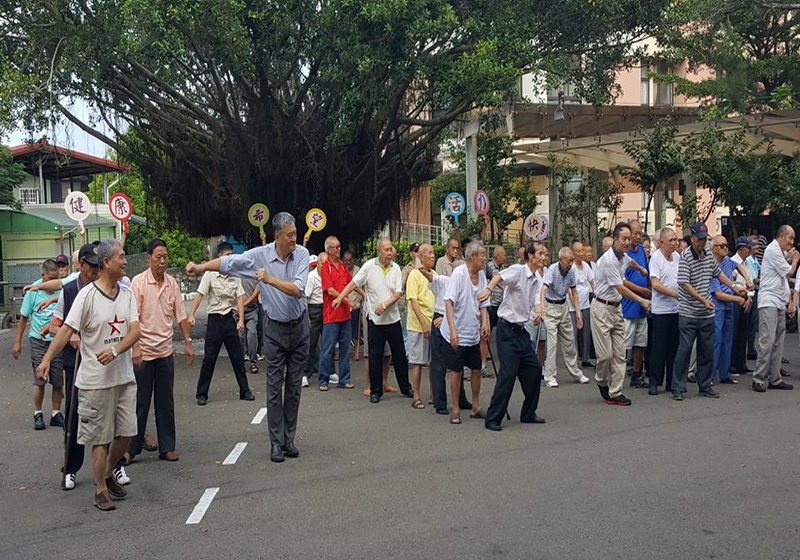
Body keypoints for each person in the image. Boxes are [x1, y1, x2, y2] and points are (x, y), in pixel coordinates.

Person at [187, 212, 310, 463]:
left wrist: (269, 279)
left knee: (294, 388)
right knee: (275, 388)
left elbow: (297, 290)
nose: (294, 239)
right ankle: (276, 443)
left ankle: (289, 439)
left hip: (300, 329)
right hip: (274, 330)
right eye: (289, 235)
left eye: (295, 234)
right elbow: (228, 263)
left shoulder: (302, 255)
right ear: (277, 237)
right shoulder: (259, 256)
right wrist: (201, 267)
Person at [36, 239, 140, 511]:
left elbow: (135, 331)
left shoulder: (127, 294)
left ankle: (107, 472)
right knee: (99, 438)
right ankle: (101, 489)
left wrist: (116, 351)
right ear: (107, 262)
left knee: (128, 433)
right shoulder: (86, 296)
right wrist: (47, 359)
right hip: (95, 381)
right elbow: (67, 330)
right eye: (121, 257)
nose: (125, 261)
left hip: (124, 377)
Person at [45, 244, 111, 491]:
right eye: (92, 265)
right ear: (81, 265)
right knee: (73, 416)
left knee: (106, 417)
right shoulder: (69, 290)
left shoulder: (107, 287)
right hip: (75, 363)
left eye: (98, 265)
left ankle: (110, 468)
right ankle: (70, 468)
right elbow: (55, 326)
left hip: (102, 361)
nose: (96, 270)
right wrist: (71, 335)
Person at [128, 239, 194, 463]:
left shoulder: (172, 284)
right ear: (149, 258)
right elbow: (132, 318)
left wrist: (187, 341)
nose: (163, 261)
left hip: (165, 351)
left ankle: (167, 447)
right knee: (139, 402)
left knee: (165, 402)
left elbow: (181, 315)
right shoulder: (138, 283)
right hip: (143, 353)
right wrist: (135, 347)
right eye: (158, 257)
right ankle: (131, 448)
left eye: (165, 257)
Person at [333, 238, 413, 403]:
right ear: (379, 252)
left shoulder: (396, 268)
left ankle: (406, 387)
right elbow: (354, 282)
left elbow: (398, 293)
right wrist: (340, 297)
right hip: (375, 321)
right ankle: (376, 391)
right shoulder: (369, 266)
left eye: (391, 249)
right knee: (375, 356)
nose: (389, 253)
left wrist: (384, 305)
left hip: (393, 319)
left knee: (399, 355)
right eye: (386, 250)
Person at [671, 223, 746, 401]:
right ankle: (678, 388)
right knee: (684, 350)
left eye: (704, 239)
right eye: (699, 239)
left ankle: (704, 385)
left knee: (706, 351)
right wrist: (702, 300)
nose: (701, 242)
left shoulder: (708, 256)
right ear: (692, 238)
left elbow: (718, 274)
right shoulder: (686, 256)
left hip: (706, 314)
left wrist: (734, 287)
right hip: (689, 312)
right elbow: (685, 284)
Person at [481, 242, 548, 431]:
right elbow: (498, 277)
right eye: (541, 253)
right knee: (508, 375)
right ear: (530, 256)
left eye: (545, 253)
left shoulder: (537, 279)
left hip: (521, 331)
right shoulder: (518, 270)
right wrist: (488, 289)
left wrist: (537, 313)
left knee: (535, 369)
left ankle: (528, 413)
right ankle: (493, 418)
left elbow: (536, 301)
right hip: (506, 330)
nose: (544, 257)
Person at [590, 222, 650, 406]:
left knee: (620, 354)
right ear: (615, 239)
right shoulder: (608, 260)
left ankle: (615, 392)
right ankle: (601, 381)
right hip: (601, 309)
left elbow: (629, 262)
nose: (627, 242)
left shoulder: (623, 257)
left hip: (616, 309)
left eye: (628, 238)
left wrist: (639, 268)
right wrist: (641, 300)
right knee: (605, 355)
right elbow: (620, 287)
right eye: (623, 239)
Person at [188, 242, 254, 406]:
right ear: (220, 257)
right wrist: (191, 314)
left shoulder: (235, 275)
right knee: (209, 358)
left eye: (231, 255)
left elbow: (239, 297)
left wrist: (240, 319)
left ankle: (245, 391)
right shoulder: (210, 274)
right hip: (215, 321)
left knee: (237, 358)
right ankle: (201, 393)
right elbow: (199, 295)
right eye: (227, 256)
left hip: (229, 319)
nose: (230, 258)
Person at [439, 241, 491, 424]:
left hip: (472, 332)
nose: (485, 258)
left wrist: (484, 323)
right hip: (456, 330)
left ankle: (475, 406)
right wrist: (453, 331)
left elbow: (483, 302)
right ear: (472, 257)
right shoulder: (459, 274)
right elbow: (449, 303)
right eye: (482, 255)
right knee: (456, 370)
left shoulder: (482, 276)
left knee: (476, 368)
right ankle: (455, 408)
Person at [12, 259, 64, 430]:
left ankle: (56, 413)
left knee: (57, 381)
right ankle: (38, 413)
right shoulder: (33, 291)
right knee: (40, 378)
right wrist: (17, 342)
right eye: (49, 279)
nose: (52, 284)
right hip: (38, 341)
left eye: (55, 279)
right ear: (42, 276)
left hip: (57, 341)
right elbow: (23, 319)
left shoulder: (60, 290)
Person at [752, 225, 799, 392]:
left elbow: (783, 276)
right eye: (789, 238)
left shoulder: (778, 252)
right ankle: (758, 377)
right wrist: (794, 260)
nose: (791, 242)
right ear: (781, 236)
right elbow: (790, 272)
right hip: (769, 301)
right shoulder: (772, 249)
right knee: (768, 340)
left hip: (778, 301)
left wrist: (788, 300)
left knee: (779, 341)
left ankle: (774, 377)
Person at [541, 247, 589, 387]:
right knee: (552, 342)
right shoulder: (552, 270)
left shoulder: (571, 271)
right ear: (560, 260)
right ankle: (549, 376)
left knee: (569, 341)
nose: (570, 263)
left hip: (563, 306)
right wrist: (542, 306)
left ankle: (576, 373)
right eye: (568, 261)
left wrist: (578, 312)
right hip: (550, 307)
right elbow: (544, 288)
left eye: (571, 261)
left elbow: (574, 291)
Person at [708, 235, 751, 385]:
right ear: (713, 249)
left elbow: (738, 266)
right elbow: (718, 295)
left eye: (726, 245)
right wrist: (738, 298)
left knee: (728, 340)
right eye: (721, 246)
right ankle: (712, 375)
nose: (725, 248)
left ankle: (724, 373)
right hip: (718, 306)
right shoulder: (712, 265)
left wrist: (747, 279)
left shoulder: (727, 261)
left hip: (728, 305)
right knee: (717, 340)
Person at [319, 236, 356, 390]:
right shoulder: (325, 267)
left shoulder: (341, 266)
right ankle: (323, 380)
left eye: (339, 246)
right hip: (331, 315)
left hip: (345, 315)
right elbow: (330, 290)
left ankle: (344, 379)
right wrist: (348, 301)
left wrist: (365, 294)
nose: (339, 249)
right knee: (328, 349)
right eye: (336, 247)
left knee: (345, 348)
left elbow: (352, 282)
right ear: (328, 250)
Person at [647, 228, 680, 395]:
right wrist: (674, 293)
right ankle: (654, 381)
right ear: (662, 242)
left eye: (676, 240)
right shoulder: (656, 258)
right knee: (659, 347)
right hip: (661, 310)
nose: (675, 243)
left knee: (673, 346)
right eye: (671, 240)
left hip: (676, 309)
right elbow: (656, 284)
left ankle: (671, 382)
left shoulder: (678, 257)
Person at [406, 243, 437, 409]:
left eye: (433, 253)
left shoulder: (435, 275)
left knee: (434, 362)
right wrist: (424, 324)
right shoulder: (414, 275)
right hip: (418, 325)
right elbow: (413, 300)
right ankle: (416, 396)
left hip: (434, 324)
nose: (433, 256)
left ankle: (434, 395)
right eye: (430, 253)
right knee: (417, 361)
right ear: (421, 256)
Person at [622, 220, 651, 389]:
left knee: (641, 341)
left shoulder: (641, 250)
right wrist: (640, 290)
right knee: (625, 343)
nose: (638, 237)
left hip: (643, 305)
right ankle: (617, 373)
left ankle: (637, 374)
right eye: (635, 233)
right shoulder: (624, 254)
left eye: (640, 233)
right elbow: (622, 281)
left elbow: (646, 271)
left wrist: (647, 288)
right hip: (628, 304)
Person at [730, 236, 757, 375]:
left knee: (744, 333)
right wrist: (743, 296)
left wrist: (749, 298)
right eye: (748, 247)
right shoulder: (734, 262)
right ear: (741, 248)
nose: (750, 249)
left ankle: (742, 363)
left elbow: (750, 283)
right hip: (736, 298)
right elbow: (734, 284)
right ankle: (733, 364)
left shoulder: (748, 263)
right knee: (734, 333)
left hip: (747, 298)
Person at [569, 242, 595, 368]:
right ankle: (573, 359)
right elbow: (570, 289)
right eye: (579, 251)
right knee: (573, 332)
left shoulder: (585, 265)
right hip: (573, 305)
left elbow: (592, 280)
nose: (581, 254)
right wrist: (575, 306)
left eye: (582, 251)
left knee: (586, 331)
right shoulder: (571, 268)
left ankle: (585, 358)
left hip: (586, 303)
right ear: (573, 253)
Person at [303, 253, 326, 387]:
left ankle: (329, 371)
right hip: (313, 309)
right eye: (323, 263)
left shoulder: (328, 274)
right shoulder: (311, 277)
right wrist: (307, 317)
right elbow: (305, 299)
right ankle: (305, 373)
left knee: (328, 342)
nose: (325, 266)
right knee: (311, 343)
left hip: (326, 309)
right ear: (318, 264)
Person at [745, 235, 762, 360]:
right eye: (754, 244)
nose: (757, 246)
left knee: (752, 323)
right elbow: (753, 279)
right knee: (749, 323)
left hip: (756, 292)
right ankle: (749, 349)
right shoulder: (749, 260)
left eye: (758, 244)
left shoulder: (755, 260)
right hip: (750, 292)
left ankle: (751, 348)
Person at [485, 246, 508, 333]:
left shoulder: (503, 267)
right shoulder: (489, 267)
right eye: (504, 255)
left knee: (500, 329)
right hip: (492, 303)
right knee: (489, 328)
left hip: (501, 303)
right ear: (498, 256)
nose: (505, 258)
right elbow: (492, 279)